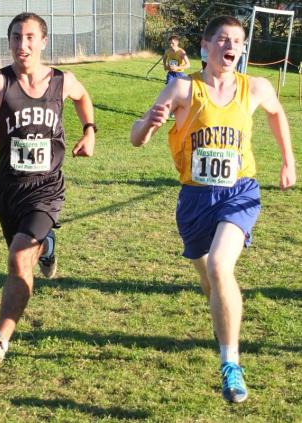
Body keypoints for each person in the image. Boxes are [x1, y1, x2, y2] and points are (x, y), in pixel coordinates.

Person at [131, 15, 296, 403]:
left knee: (222, 267)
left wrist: (288, 160)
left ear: (242, 49)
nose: (231, 46)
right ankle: (223, 323)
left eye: (237, 41)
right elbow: (137, 137)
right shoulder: (183, 88)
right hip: (194, 198)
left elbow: (276, 112)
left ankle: (231, 363)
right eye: (222, 39)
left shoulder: (254, 86)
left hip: (240, 191)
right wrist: (149, 124)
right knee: (210, 280)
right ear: (205, 47)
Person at [0, 12, 96, 369]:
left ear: (44, 41)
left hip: (47, 188)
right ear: (10, 42)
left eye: (31, 37)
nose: (24, 45)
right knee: (26, 259)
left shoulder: (62, 81)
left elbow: (83, 98)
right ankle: (47, 247)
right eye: (17, 37)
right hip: (8, 190)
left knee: (19, 258)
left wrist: (90, 130)